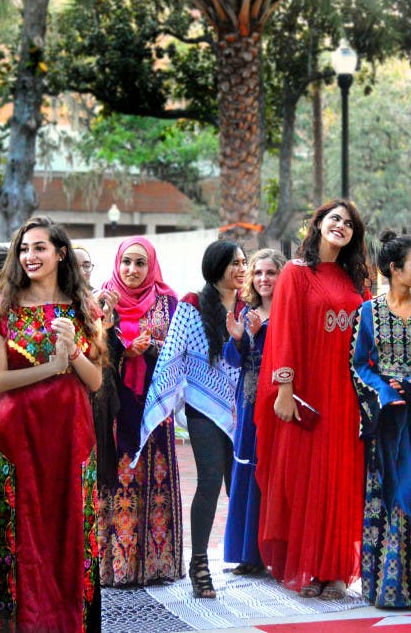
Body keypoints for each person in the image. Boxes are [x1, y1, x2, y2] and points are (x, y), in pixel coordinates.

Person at [0, 216, 103, 632]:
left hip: (71, 436)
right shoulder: (3, 308)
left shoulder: (83, 308)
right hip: (17, 438)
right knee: (21, 533)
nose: (29, 256)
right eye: (23, 249)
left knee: (69, 532)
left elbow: (95, 381)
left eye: (39, 248)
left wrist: (72, 353)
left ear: (60, 253)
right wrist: (52, 368)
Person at [254, 199, 369, 600]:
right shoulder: (296, 272)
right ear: (318, 224)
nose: (341, 226)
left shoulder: (356, 280)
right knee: (306, 479)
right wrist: (284, 389)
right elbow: (283, 332)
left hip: (347, 395)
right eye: (334, 219)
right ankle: (309, 568)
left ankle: (334, 570)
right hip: (308, 393)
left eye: (349, 223)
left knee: (341, 478)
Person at [139, 239, 247, 598]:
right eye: (234, 263)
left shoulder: (248, 307)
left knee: (239, 484)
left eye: (243, 262)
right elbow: (173, 353)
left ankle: (249, 555)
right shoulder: (192, 304)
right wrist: (167, 396)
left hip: (242, 406)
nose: (241, 269)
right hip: (203, 408)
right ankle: (199, 565)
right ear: (216, 267)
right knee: (210, 481)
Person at [351, 231, 411, 608]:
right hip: (386, 421)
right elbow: (357, 365)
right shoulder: (367, 312)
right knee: (386, 492)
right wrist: (385, 394)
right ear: (394, 269)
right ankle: (385, 585)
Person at [98, 236, 183, 586]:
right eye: (126, 262)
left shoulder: (168, 301)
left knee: (154, 479)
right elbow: (92, 348)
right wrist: (122, 349)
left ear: (151, 266)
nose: (131, 269)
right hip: (115, 409)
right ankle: (115, 567)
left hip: (155, 407)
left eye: (140, 263)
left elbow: (179, 352)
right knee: (118, 480)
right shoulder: (102, 298)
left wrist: (149, 349)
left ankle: (155, 565)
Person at [223, 248, 287, 576]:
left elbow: (288, 356)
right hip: (248, 405)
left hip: (278, 404)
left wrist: (263, 333)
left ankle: (275, 553)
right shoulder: (247, 312)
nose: (264, 279)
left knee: (274, 473)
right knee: (247, 470)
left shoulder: (290, 314)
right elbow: (233, 360)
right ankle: (248, 554)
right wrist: (238, 339)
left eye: (270, 272)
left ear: (282, 276)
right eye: (258, 272)